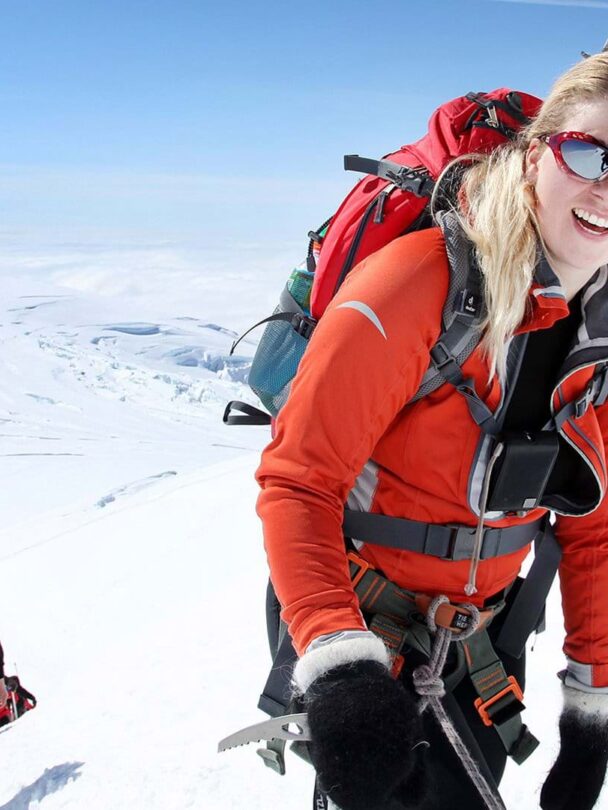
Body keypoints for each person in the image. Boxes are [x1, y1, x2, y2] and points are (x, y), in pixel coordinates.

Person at [255, 52, 608, 810]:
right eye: (589, 151)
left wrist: (590, 714)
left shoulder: (598, 326)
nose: (605, 185)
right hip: (365, 637)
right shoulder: (419, 285)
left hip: (485, 651)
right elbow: (298, 479)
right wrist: (342, 670)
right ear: (537, 150)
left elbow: (594, 532)